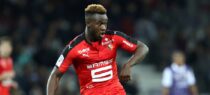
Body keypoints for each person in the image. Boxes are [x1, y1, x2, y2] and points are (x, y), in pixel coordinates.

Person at [47, 4, 149, 95]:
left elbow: (143, 48)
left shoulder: (113, 37)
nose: (104, 27)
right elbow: (55, 76)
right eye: (99, 23)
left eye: (105, 23)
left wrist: (128, 64)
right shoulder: (74, 48)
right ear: (88, 24)